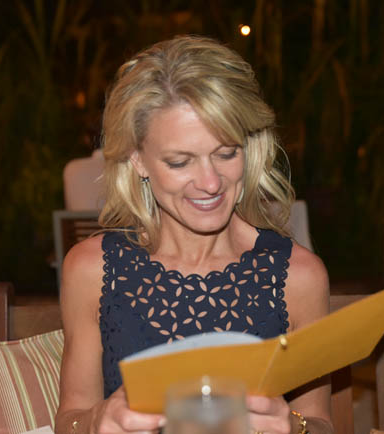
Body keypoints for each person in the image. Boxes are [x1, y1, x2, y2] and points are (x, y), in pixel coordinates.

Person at [55, 35, 333, 434]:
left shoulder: (298, 276)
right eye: (180, 161)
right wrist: (96, 420)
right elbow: (70, 418)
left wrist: (294, 425)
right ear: (137, 159)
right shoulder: (92, 269)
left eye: (226, 153)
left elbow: (321, 423)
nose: (210, 182)